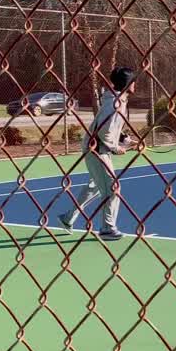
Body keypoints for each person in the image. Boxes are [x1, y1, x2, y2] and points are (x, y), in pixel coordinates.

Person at [57, 67, 136, 240]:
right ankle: (107, 228)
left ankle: (68, 218)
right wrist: (116, 148)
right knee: (113, 188)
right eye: (133, 81)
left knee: (95, 187)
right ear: (127, 83)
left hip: (97, 148)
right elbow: (104, 132)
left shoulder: (118, 100)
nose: (135, 84)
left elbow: (113, 129)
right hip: (97, 150)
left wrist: (127, 141)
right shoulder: (115, 103)